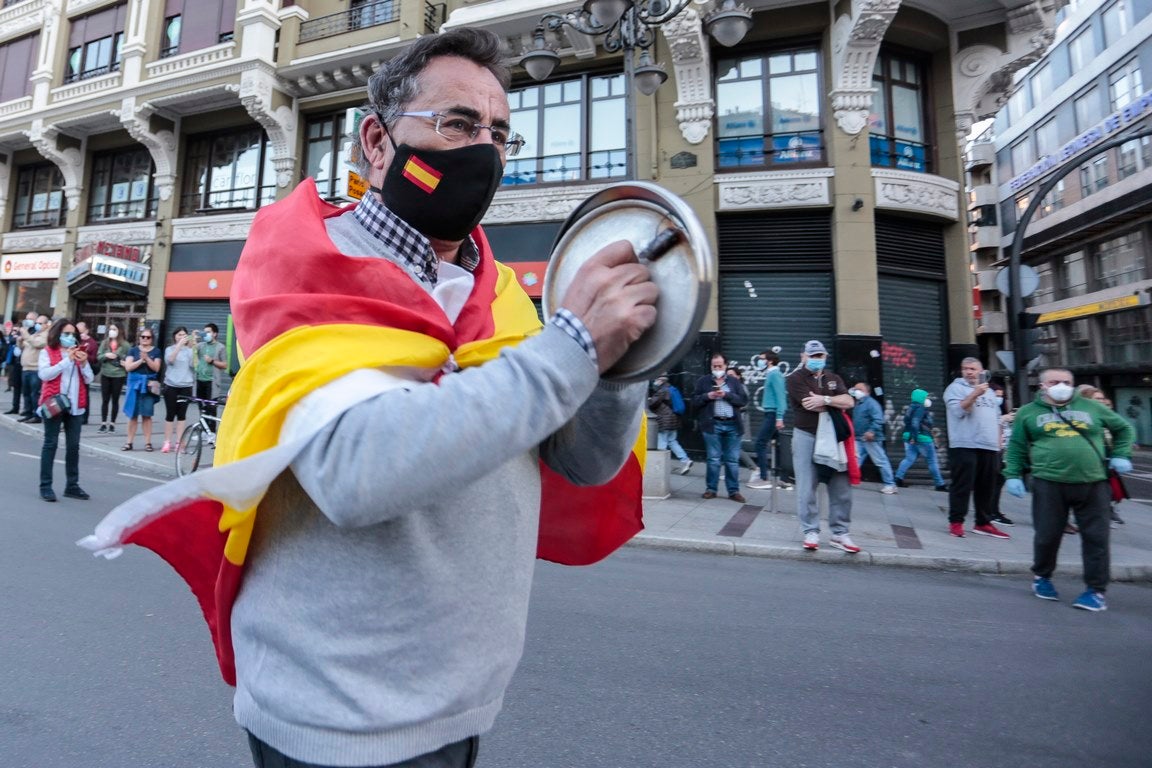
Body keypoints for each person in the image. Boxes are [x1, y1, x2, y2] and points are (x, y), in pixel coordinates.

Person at [81, 29, 658, 768]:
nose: (484, 150)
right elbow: (357, 474)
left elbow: (583, 460)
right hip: (335, 719)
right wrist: (574, 342)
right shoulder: (311, 269)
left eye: (499, 134)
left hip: (463, 706)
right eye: (457, 123)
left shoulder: (505, 294)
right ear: (379, 145)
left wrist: (621, 361)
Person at [1004, 368, 1135, 612]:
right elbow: (1017, 446)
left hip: (1093, 483)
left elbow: (1124, 429)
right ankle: (1042, 577)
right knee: (1047, 535)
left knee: (1096, 538)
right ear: (1043, 386)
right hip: (1048, 483)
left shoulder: (1091, 407)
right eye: (1055, 382)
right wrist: (1012, 475)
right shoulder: (1028, 413)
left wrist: (1121, 454)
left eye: (1067, 382)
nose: (1062, 385)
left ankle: (1095, 591)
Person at [787, 340, 860, 553]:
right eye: (812, 355)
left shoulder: (833, 378)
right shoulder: (795, 378)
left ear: (825, 357)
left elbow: (849, 402)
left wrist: (825, 399)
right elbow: (809, 404)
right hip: (806, 435)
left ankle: (840, 533)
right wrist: (834, 402)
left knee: (841, 485)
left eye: (820, 356)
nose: (817, 359)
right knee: (806, 485)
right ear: (803, 356)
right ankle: (811, 530)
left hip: (833, 437)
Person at [944, 357, 1009, 540]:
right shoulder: (955, 388)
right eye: (965, 369)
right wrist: (974, 394)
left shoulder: (989, 392)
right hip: (965, 444)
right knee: (962, 485)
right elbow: (958, 411)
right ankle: (956, 522)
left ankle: (983, 522)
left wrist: (998, 444)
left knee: (986, 486)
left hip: (988, 446)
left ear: (981, 371)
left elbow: (996, 418)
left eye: (972, 369)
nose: (969, 372)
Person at [37, 318, 94, 502]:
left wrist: (84, 364)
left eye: (73, 334)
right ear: (57, 334)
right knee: (50, 444)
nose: (70, 337)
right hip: (55, 404)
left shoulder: (79, 353)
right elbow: (44, 374)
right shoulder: (48, 352)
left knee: (73, 446)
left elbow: (89, 379)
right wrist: (65, 361)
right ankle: (46, 486)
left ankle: (72, 485)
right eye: (66, 334)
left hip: (75, 405)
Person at [692, 353, 749, 502]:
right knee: (713, 459)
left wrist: (726, 395)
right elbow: (694, 401)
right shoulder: (703, 382)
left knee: (732, 460)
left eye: (720, 366)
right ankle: (711, 489)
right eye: (714, 366)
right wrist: (707, 396)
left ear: (726, 366)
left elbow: (743, 400)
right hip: (712, 424)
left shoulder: (734, 382)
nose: (717, 368)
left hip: (732, 425)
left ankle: (733, 491)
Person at [748, 350, 789, 491]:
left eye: (762, 359)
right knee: (777, 445)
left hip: (772, 414)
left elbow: (781, 397)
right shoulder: (772, 374)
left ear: (770, 360)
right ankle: (780, 478)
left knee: (760, 443)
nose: (760, 361)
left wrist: (779, 417)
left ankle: (764, 477)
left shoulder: (775, 374)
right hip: (770, 413)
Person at [893, 389, 946, 491]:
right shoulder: (920, 408)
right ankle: (940, 484)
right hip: (921, 438)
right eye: (925, 397)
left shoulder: (910, 408)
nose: (927, 399)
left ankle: (898, 478)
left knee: (909, 459)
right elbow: (915, 422)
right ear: (921, 398)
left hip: (908, 436)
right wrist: (914, 437)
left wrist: (912, 437)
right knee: (932, 461)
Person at [850, 382, 896, 494]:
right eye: (855, 389)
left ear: (867, 392)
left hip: (871, 438)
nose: (856, 391)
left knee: (880, 460)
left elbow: (878, 419)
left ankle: (890, 484)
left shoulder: (871, 404)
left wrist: (871, 431)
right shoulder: (858, 403)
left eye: (859, 389)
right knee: (855, 460)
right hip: (860, 438)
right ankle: (851, 479)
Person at [121, 327, 161, 451]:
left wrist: (147, 358)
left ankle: (148, 443)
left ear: (152, 339)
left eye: (148, 337)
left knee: (147, 415)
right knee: (132, 415)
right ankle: (129, 442)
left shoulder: (157, 351)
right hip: (134, 386)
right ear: (139, 338)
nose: (145, 339)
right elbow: (128, 367)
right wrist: (141, 360)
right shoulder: (133, 350)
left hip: (148, 386)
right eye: (142, 337)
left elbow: (156, 368)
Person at [160, 326, 196, 453]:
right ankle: (167, 442)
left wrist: (194, 347)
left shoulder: (190, 350)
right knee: (170, 415)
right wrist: (179, 346)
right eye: (179, 335)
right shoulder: (169, 349)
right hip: (171, 386)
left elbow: (194, 365)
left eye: (184, 335)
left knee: (182, 415)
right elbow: (170, 360)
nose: (181, 337)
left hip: (185, 386)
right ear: (175, 336)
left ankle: (179, 442)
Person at [648, 374, 692, 475]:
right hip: (673, 420)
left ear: (660, 380)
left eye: (656, 380)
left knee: (661, 444)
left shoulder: (662, 390)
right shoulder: (671, 388)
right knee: (672, 441)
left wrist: (649, 400)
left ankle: (660, 467)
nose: (654, 382)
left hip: (664, 421)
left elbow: (652, 404)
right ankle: (686, 460)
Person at [987, 381, 1015, 528]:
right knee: (994, 482)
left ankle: (993, 510)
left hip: (1003, 451)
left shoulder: (1001, 412)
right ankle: (991, 512)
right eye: (996, 396)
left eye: (1001, 396)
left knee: (998, 482)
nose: (999, 399)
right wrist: (1002, 420)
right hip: (992, 451)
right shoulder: (989, 411)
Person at [194, 323, 228, 431]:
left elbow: (225, 365)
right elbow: (192, 349)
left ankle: (212, 432)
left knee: (211, 408)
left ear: (215, 334)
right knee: (201, 406)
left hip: (212, 382)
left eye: (208, 332)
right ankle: (203, 430)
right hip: (200, 380)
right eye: (205, 332)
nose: (206, 334)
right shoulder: (201, 345)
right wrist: (193, 337)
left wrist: (212, 361)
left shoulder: (220, 347)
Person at [96, 323, 128, 433]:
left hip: (118, 375)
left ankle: (112, 424)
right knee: (105, 400)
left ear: (120, 330)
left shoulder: (125, 345)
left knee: (115, 400)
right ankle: (103, 423)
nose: (112, 331)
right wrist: (106, 355)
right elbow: (98, 356)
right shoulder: (105, 343)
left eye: (114, 329)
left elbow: (129, 359)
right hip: (105, 374)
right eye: (110, 329)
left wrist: (124, 362)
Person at [18, 313, 49, 423]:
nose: (37, 325)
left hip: (35, 368)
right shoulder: (35, 333)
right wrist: (20, 340)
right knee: (26, 393)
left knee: (34, 393)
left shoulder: (46, 335)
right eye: (36, 323)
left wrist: (26, 335)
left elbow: (37, 344)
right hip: (26, 367)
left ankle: (37, 414)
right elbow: (25, 345)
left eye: (40, 323)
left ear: (46, 324)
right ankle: (28, 412)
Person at [75, 321, 99, 425]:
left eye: (81, 331)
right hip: (75, 369)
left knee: (85, 393)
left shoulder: (91, 343)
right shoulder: (76, 340)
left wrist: (84, 355)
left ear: (87, 331)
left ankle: (84, 417)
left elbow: (94, 358)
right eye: (78, 331)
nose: (80, 334)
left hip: (86, 369)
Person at [4, 321, 21, 414]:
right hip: (13, 362)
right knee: (16, 386)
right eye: (13, 330)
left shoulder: (23, 336)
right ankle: (15, 407)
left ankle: (28, 410)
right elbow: (10, 341)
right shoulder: (12, 337)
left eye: (16, 330)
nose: (14, 332)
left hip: (22, 364)